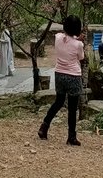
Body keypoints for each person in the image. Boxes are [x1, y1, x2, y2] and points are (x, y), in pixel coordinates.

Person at [38, 14, 85, 146]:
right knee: (72, 107)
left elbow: (65, 38)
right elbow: (81, 57)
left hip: (59, 73)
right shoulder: (78, 44)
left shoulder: (57, 38)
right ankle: (71, 136)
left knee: (58, 102)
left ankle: (44, 126)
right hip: (73, 75)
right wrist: (78, 40)